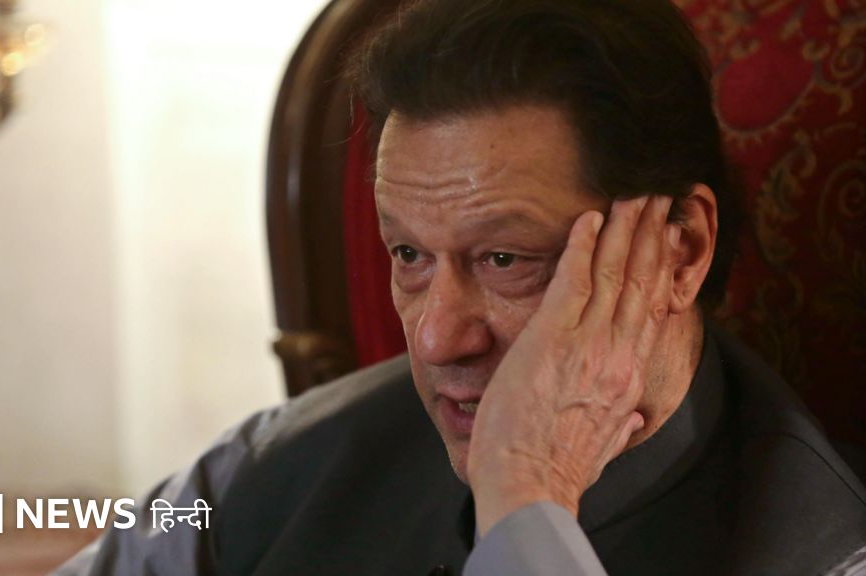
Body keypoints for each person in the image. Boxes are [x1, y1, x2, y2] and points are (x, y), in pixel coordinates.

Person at [55, 0, 866, 574]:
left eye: (504, 259)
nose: (438, 338)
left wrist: (526, 496)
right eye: (409, 254)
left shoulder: (827, 551)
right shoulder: (265, 466)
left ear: (680, 251)